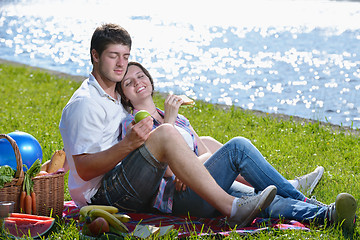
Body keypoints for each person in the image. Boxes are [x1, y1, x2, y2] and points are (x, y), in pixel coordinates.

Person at [59, 23, 278, 229]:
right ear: (95, 56)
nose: (120, 64)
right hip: (104, 197)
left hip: (131, 180)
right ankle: (231, 208)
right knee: (165, 133)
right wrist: (129, 144)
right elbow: (85, 170)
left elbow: (82, 146)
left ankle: (289, 195)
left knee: (212, 150)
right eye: (113, 56)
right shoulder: (86, 103)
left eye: (125, 56)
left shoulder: (115, 93)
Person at [118, 61, 357, 233]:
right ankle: (305, 198)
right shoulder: (133, 124)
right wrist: (171, 130)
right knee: (238, 147)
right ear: (125, 96)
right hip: (180, 199)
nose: (137, 82)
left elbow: (206, 154)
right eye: (129, 82)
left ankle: (327, 215)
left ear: (149, 79)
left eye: (140, 75)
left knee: (263, 199)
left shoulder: (179, 119)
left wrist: (190, 168)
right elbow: (167, 171)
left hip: (207, 187)